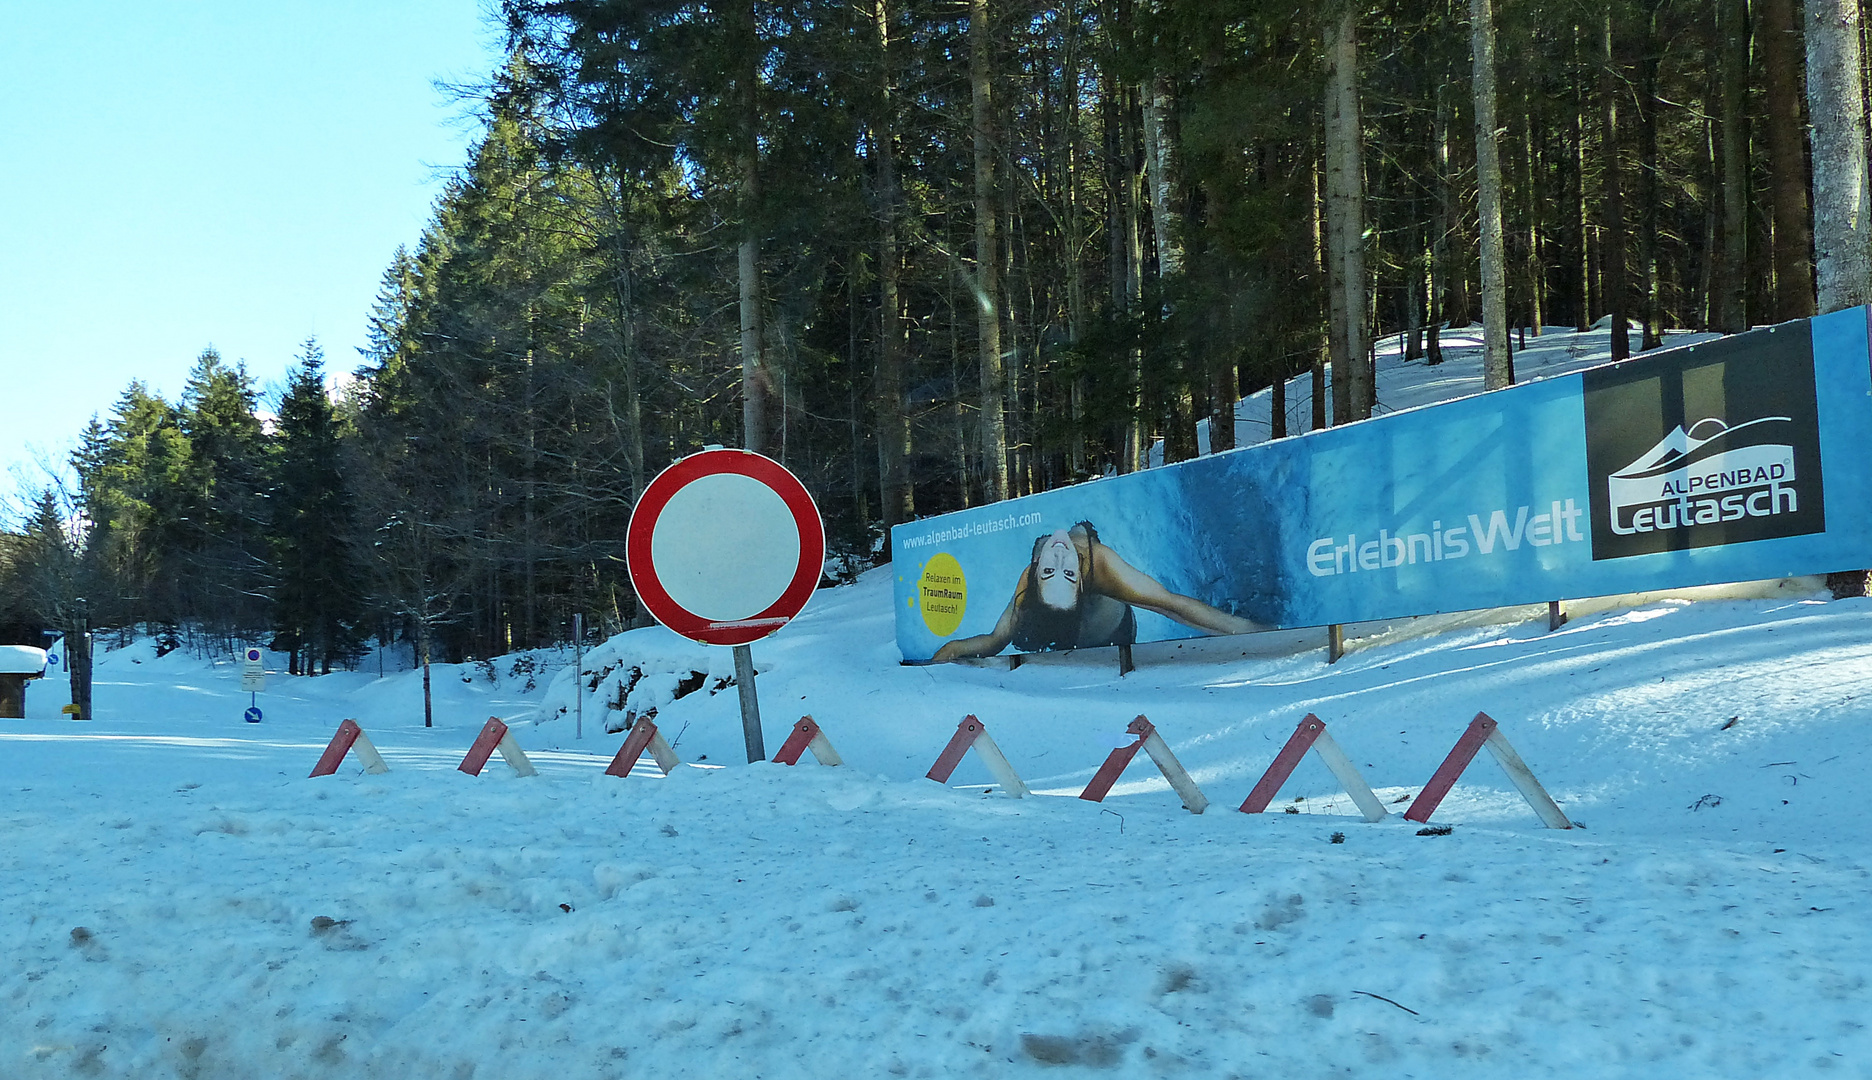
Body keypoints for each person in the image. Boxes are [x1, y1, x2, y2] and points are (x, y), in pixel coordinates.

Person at [932, 521, 1261, 661]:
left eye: (1049, 568)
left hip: (1100, 626)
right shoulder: (1094, 561)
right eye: (1063, 570)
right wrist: (1249, 630)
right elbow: (1170, 605)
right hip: (1099, 630)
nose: (1059, 555)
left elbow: (994, 639)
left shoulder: (1045, 571)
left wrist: (948, 649)